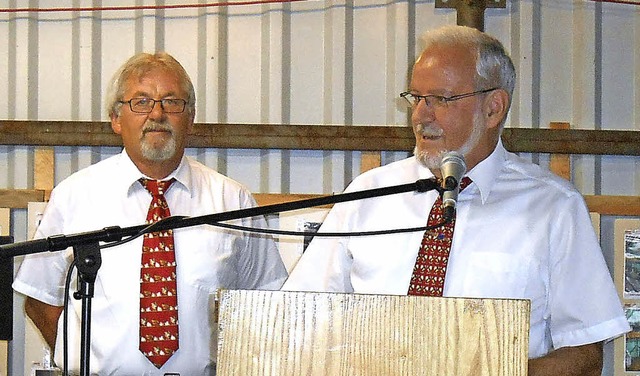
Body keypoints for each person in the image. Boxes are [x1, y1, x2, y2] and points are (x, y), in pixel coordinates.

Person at [282, 25, 630, 376]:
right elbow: (298, 316)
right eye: (416, 98)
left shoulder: (553, 206)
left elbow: (585, 353)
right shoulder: (366, 195)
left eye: (440, 99)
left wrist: (502, 372)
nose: (420, 115)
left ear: (494, 108)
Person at [12, 52, 288, 375]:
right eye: (141, 102)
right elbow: (40, 299)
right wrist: (82, 365)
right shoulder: (75, 196)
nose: (157, 114)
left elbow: (269, 307)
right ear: (116, 119)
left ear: (191, 118)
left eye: (172, 102)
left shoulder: (233, 203)